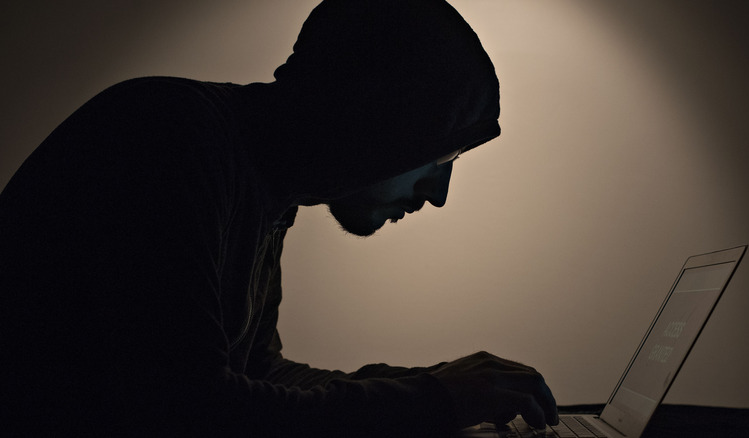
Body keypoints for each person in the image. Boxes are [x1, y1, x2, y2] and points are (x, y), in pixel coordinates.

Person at [0, 0, 558, 436]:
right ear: (377, 122)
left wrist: (434, 385)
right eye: (439, 158)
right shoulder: (166, 139)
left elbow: (260, 376)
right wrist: (436, 399)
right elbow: (191, 412)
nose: (437, 194)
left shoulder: (262, 184)